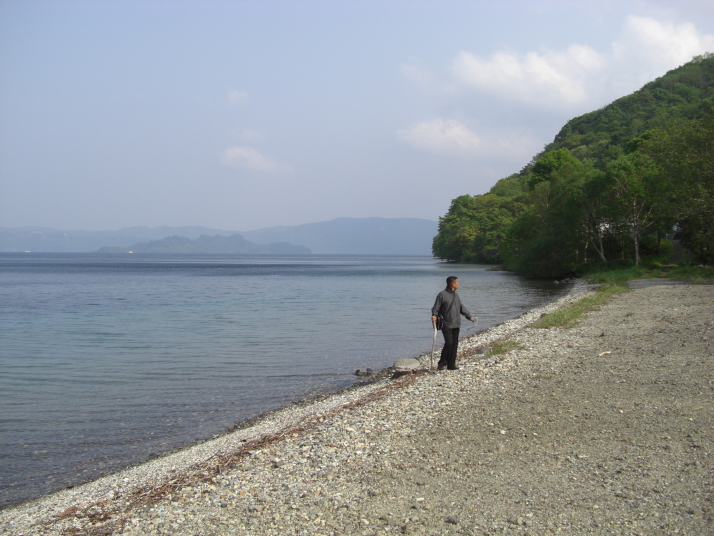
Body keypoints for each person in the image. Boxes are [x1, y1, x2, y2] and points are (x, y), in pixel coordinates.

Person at [431, 276, 475, 371]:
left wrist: (469, 316)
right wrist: (434, 315)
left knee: (454, 345)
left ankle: (451, 365)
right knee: (449, 343)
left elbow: (461, 307)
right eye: (457, 283)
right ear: (453, 284)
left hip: (456, 324)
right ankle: (442, 363)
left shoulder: (456, 295)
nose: (458, 284)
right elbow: (435, 308)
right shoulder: (442, 295)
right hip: (446, 324)